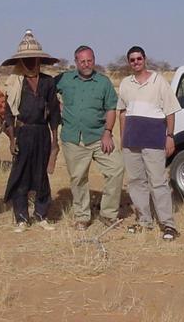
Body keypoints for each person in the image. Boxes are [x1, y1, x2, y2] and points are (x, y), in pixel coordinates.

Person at [55, 45, 124, 231]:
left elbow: (111, 108)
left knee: (116, 169)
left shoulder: (103, 82)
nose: (86, 64)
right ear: (76, 62)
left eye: (90, 60)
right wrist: (57, 107)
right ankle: (82, 217)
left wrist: (108, 132)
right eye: (82, 61)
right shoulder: (64, 79)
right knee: (78, 178)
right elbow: (47, 91)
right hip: (73, 138)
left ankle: (108, 214)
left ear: (94, 60)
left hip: (99, 137)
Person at [117, 46, 182, 241]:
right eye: (132, 60)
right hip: (132, 141)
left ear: (145, 59)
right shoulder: (125, 84)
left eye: (139, 59)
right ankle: (144, 220)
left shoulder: (159, 81)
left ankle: (168, 224)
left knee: (158, 182)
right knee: (136, 182)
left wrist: (170, 136)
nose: (136, 62)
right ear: (129, 62)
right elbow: (122, 112)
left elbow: (170, 110)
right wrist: (123, 138)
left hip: (154, 141)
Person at [1, 30, 61, 233]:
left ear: (39, 60)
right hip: (23, 133)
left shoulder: (48, 82)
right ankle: (21, 217)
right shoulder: (15, 83)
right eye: (27, 59)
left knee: (41, 175)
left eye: (34, 59)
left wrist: (55, 141)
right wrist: (12, 138)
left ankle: (42, 214)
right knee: (21, 175)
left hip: (42, 133)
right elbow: (8, 115)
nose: (31, 63)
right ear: (21, 61)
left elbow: (54, 113)